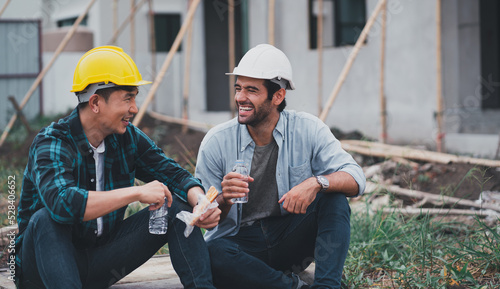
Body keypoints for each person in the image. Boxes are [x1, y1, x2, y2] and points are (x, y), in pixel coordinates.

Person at [15, 46, 220, 289]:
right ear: (95, 103)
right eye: (127, 98)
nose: (134, 108)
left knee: (175, 206)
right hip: (43, 269)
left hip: (98, 262)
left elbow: (172, 173)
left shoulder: (127, 138)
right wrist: (135, 192)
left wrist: (200, 201)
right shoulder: (53, 142)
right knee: (46, 219)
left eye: (135, 98)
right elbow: (63, 203)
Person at [195, 44, 366, 289]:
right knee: (210, 251)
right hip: (242, 245)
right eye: (238, 88)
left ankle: (327, 286)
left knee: (334, 200)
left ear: (278, 96)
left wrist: (316, 183)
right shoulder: (216, 142)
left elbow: (356, 178)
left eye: (252, 90)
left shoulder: (308, 129)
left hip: (289, 238)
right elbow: (205, 218)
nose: (240, 97)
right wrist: (225, 199)